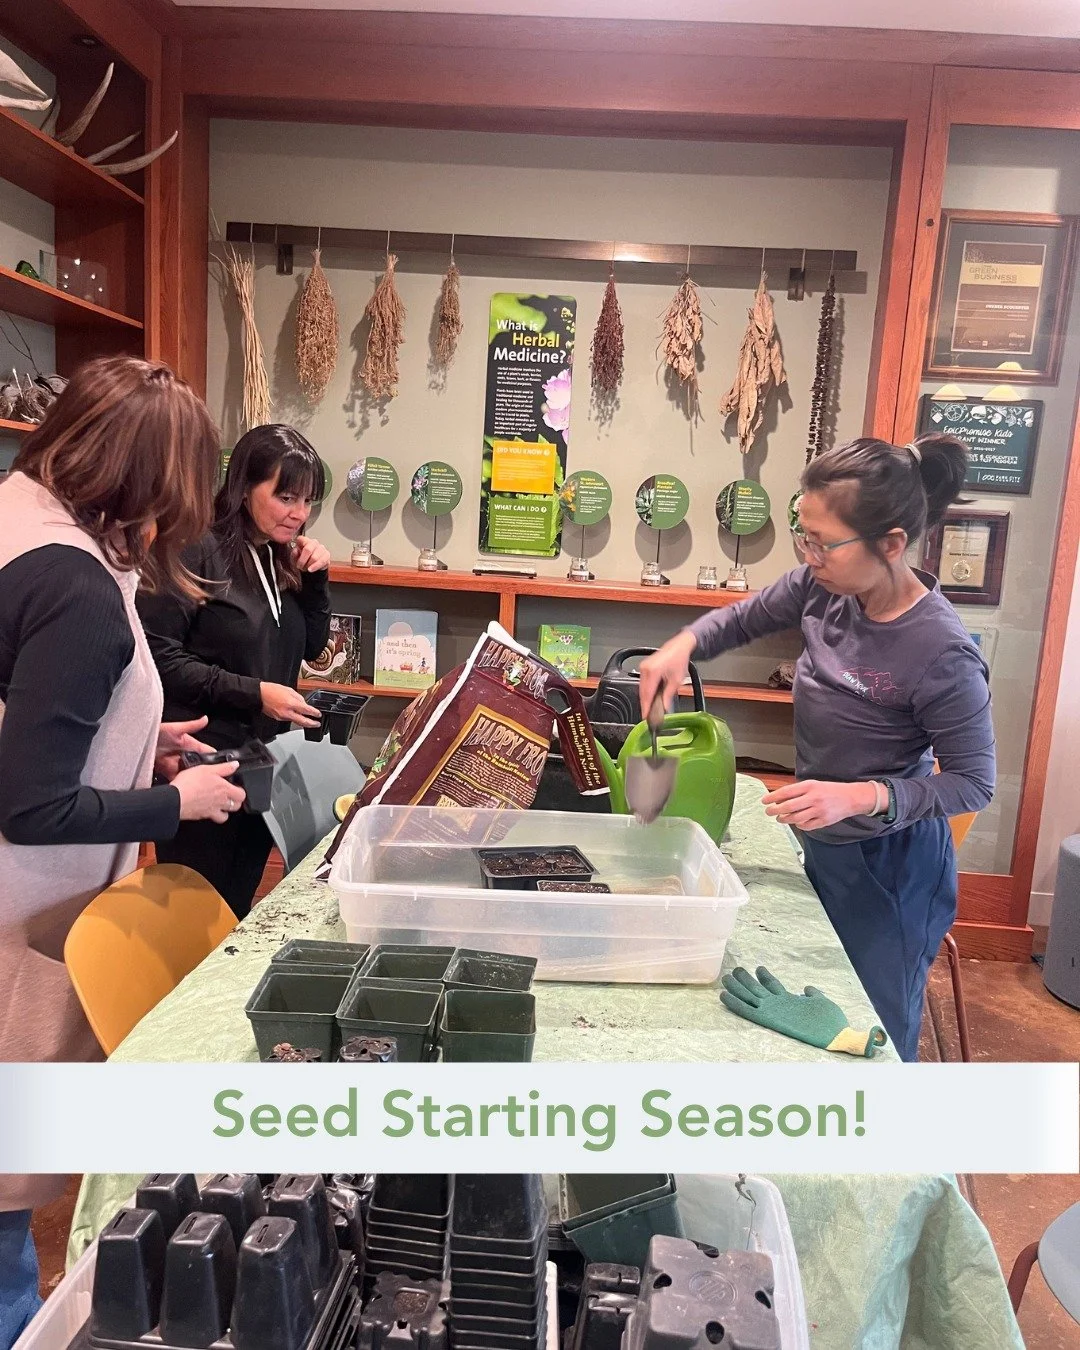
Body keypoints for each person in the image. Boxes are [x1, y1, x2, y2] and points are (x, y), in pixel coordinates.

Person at [0, 357, 246, 1346]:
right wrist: (169, 797)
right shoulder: (79, 591)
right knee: (10, 1230)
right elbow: (32, 807)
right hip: (23, 923)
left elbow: (31, 717)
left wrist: (137, 741)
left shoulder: (21, 521)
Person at [639, 434, 996, 1062]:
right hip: (818, 841)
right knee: (812, 1022)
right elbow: (742, 619)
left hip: (890, 867)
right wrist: (682, 647)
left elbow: (972, 782)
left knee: (875, 1034)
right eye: (802, 535)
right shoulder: (823, 587)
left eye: (821, 542)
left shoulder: (941, 651)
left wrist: (863, 795)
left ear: (890, 544)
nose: (809, 555)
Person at [138, 425, 332, 918]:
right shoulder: (195, 547)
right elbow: (160, 660)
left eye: (308, 501)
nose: (299, 513)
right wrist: (255, 693)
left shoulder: (277, 552)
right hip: (203, 759)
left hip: (263, 763)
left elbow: (310, 646)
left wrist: (317, 582)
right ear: (244, 487)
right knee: (191, 915)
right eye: (285, 496)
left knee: (237, 911)